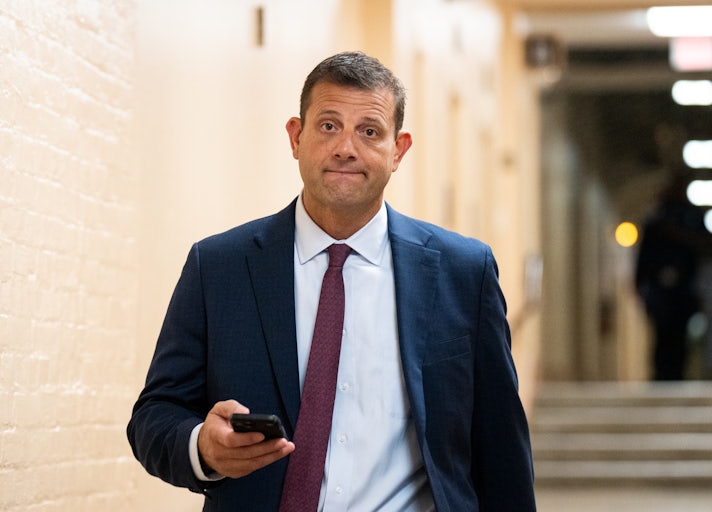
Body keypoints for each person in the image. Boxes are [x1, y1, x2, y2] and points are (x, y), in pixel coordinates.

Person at [127, 51, 536, 511]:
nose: (346, 147)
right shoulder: (219, 267)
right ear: (296, 137)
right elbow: (154, 416)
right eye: (328, 126)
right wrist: (203, 446)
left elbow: (501, 448)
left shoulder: (464, 272)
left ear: (398, 150)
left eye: (369, 131)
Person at [636, 172, 706, 380]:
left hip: (685, 286)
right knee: (662, 333)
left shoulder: (693, 217)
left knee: (679, 334)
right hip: (660, 286)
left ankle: (676, 373)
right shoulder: (657, 217)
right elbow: (644, 255)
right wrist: (639, 283)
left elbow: (702, 250)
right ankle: (661, 374)